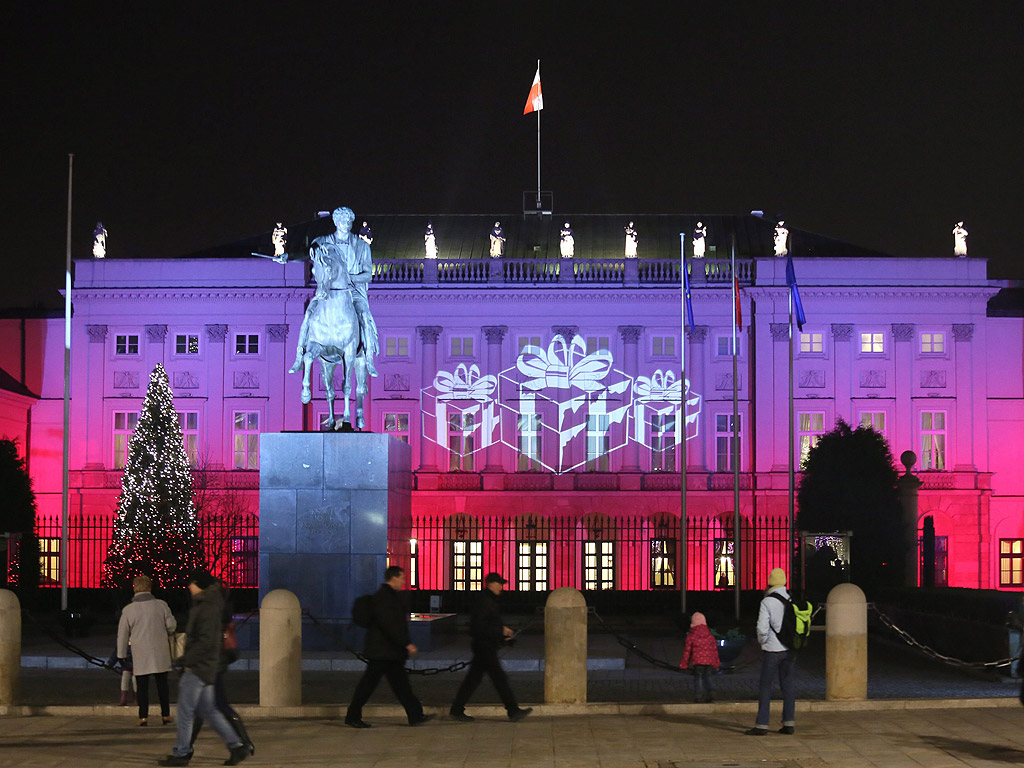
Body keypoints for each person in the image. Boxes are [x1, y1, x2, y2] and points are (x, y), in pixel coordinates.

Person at [158, 570, 248, 767]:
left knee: (185, 712)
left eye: (191, 583)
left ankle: (182, 753)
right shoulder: (212, 604)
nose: (189, 586)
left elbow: (205, 641)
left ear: (199, 584)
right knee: (209, 710)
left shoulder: (206, 607)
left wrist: (185, 660)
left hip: (198, 667)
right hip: (207, 666)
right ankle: (237, 745)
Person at [280, 206, 379, 377]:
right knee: (309, 314)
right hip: (327, 290)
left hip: (354, 291)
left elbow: (367, 275)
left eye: (348, 221)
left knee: (363, 315)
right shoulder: (324, 242)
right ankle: (299, 357)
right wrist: (288, 256)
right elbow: (307, 253)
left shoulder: (362, 246)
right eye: (341, 221)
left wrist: (350, 279)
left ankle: (368, 358)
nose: (345, 224)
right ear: (335, 222)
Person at [345, 566, 433, 728]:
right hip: (384, 652)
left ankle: (415, 714)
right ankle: (353, 715)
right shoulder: (386, 598)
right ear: (393, 578)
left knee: (400, 686)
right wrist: (406, 643)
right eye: (402, 578)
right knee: (371, 686)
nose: (403, 581)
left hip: (386, 652)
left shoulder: (387, 596)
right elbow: (391, 625)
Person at [449, 573, 532, 723]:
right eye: (499, 583)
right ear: (490, 584)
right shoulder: (484, 601)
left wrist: (503, 634)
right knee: (499, 678)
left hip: (485, 646)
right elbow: (479, 627)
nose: (502, 587)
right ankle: (512, 710)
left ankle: (456, 709)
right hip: (484, 647)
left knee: (473, 680)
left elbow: (489, 625)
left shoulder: (488, 601)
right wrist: (500, 631)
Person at [188, 583, 254, 758]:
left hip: (210, 665)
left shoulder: (212, 610)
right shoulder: (219, 609)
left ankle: (242, 744)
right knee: (210, 708)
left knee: (208, 708)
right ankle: (242, 743)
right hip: (215, 663)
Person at [117, 574, 176, 726]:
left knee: (142, 685)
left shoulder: (129, 610)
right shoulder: (161, 605)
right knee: (162, 684)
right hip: (160, 650)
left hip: (140, 651)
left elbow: (122, 634)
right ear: (150, 588)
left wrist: (121, 654)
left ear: (135, 588)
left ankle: (143, 717)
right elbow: (171, 626)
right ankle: (165, 715)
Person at [745, 568, 796, 736]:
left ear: (770, 582)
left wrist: (762, 642)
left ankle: (762, 724)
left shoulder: (767, 601)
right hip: (789, 649)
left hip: (772, 649)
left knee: (765, 686)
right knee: (787, 685)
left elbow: (761, 627)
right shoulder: (790, 598)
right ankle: (789, 723)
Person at [679, 612, 720, 703]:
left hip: (698, 662)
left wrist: (683, 665)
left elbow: (687, 652)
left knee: (699, 678)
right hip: (709, 662)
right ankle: (712, 693)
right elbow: (714, 651)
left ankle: (699, 696)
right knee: (708, 677)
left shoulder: (691, 637)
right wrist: (716, 664)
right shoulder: (710, 637)